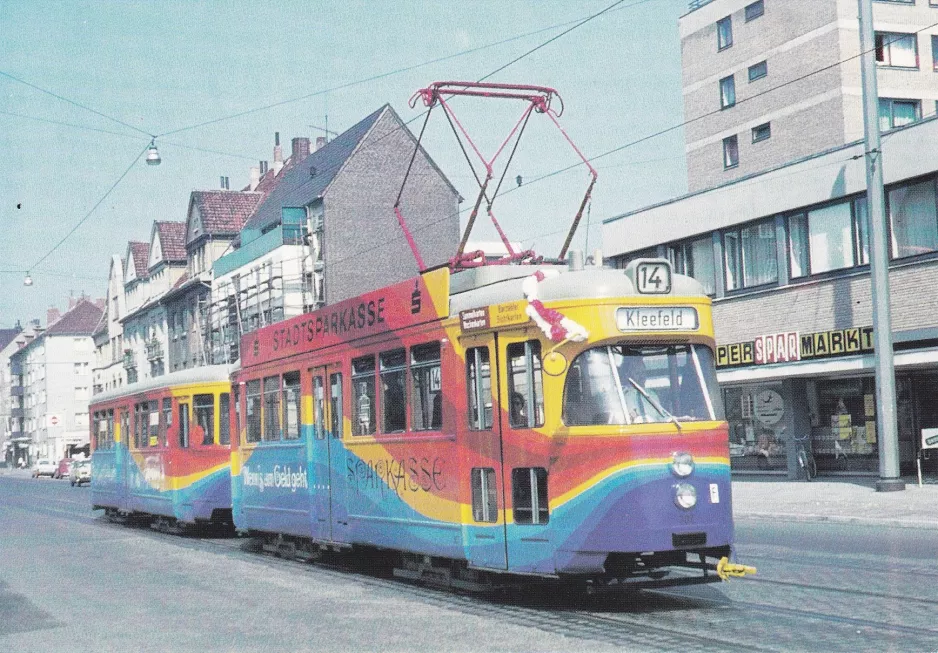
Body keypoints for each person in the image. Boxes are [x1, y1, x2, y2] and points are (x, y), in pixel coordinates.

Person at [617, 356, 664, 424]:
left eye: (643, 372)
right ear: (628, 375)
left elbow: (661, 418)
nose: (642, 376)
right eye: (637, 373)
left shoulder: (652, 395)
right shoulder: (622, 396)